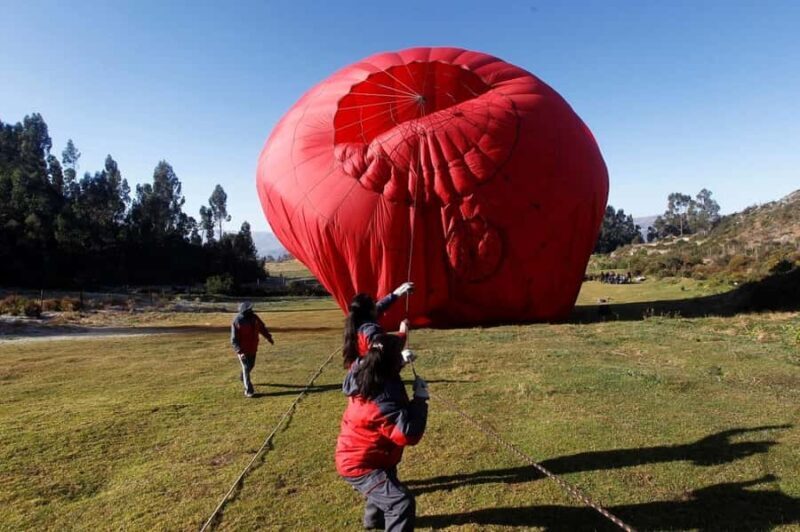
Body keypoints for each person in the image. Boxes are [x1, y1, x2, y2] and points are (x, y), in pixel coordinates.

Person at [335, 333, 429, 532]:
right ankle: (383, 520)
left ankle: (374, 522)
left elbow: (379, 366)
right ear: (389, 363)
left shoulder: (365, 372)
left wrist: (401, 361)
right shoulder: (382, 402)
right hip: (360, 464)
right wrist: (420, 400)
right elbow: (408, 434)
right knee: (400, 502)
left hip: (374, 455)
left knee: (386, 480)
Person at [343, 282, 415, 369]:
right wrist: (402, 332)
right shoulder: (371, 330)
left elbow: (380, 306)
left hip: (360, 373)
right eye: (374, 304)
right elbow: (386, 350)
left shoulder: (357, 321)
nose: (376, 306)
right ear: (371, 311)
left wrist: (397, 293)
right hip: (370, 377)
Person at [230, 301, 274, 398]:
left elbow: (262, 328)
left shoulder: (255, 318)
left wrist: (268, 337)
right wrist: (240, 352)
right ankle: (249, 391)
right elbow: (234, 339)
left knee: (251, 365)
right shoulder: (237, 321)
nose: (251, 311)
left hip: (253, 347)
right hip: (243, 349)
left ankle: (243, 377)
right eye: (249, 310)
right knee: (246, 367)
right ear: (244, 311)